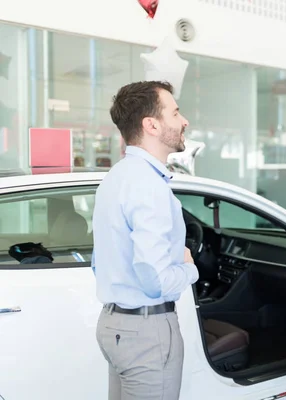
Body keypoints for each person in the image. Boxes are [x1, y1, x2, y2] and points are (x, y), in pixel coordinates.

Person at [92, 81, 199, 400]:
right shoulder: (148, 186)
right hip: (147, 333)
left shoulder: (116, 177)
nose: (184, 121)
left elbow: (100, 263)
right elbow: (155, 281)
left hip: (116, 327)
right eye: (176, 112)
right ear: (151, 124)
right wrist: (190, 269)